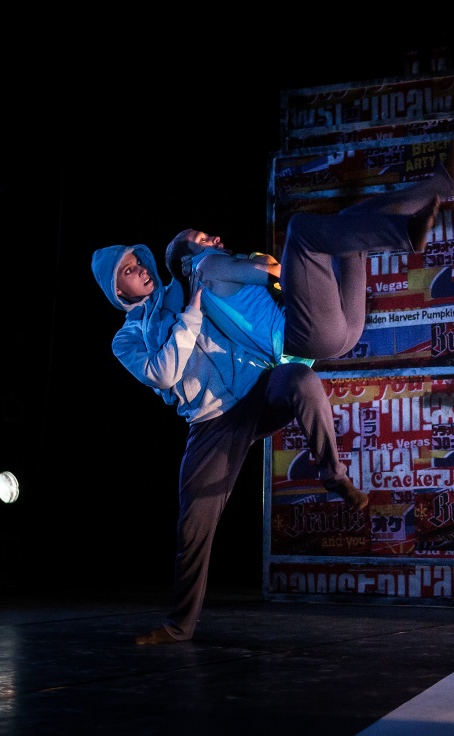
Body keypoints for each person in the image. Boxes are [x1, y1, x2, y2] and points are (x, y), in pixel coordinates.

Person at [91, 243, 365, 645]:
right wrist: (190, 317)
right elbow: (163, 374)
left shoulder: (181, 286)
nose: (141, 271)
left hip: (257, 387)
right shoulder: (127, 339)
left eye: (139, 263)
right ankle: (179, 625)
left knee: (301, 380)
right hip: (212, 420)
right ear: (117, 291)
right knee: (193, 525)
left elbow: (227, 275)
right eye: (128, 271)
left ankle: (333, 474)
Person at [165, 132, 454, 363]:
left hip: (335, 335)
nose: (214, 239)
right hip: (308, 332)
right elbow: (274, 272)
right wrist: (275, 263)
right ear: (187, 264)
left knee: (349, 224)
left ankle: (440, 185)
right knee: (300, 231)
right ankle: (405, 232)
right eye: (202, 240)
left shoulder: (207, 295)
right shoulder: (205, 266)